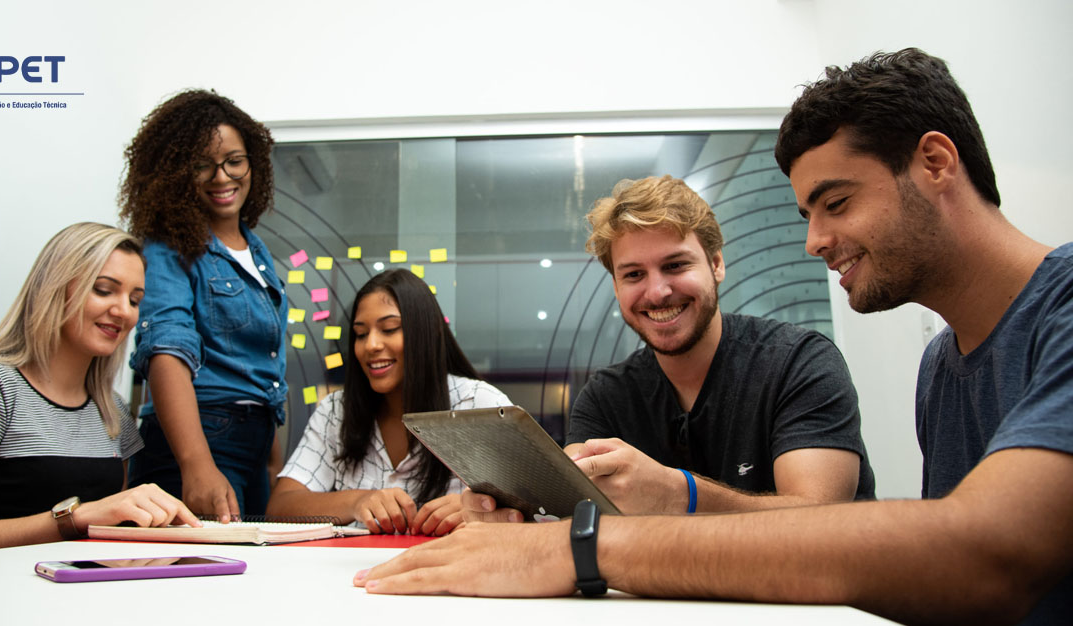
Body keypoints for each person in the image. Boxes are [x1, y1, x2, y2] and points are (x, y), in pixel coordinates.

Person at [355, 48, 1073, 625]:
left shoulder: (1051, 309)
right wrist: (526, 520)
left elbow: (986, 553)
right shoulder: (942, 365)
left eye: (837, 202)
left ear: (936, 163)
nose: (815, 241)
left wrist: (592, 542)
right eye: (807, 215)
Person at [466, 175, 873, 522]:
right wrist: (514, 512)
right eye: (633, 274)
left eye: (676, 265)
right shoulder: (606, 398)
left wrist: (680, 494)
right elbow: (578, 515)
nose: (657, 291)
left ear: (716, 264)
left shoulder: (798, 363)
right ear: (616, 288)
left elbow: (819, 522)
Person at [0, 223, 198, 556]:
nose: (124, 312)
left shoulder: (113, 411)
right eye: (103, 290)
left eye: (135, 300)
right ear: (54, 288)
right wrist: (76, 518)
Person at [120, 89, 288, 522]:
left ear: (252, 163)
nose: (221, 176)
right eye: (202, 165)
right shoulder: (169, 247)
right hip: (197, 443)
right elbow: (165, 350)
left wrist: (271, 459)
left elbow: (259, 368)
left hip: (252, 447)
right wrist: (195, 464)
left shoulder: (256, 248)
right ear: (177, 173)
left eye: (234, 161)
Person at [268, 269, 511, 535]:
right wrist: (357, 502)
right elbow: (280, 507)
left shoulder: (480, 404)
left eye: (389, 329)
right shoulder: (336, 411)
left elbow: (540, 511)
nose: (371, 345)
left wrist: (478, 510)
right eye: (361, 334)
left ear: (425, 334)